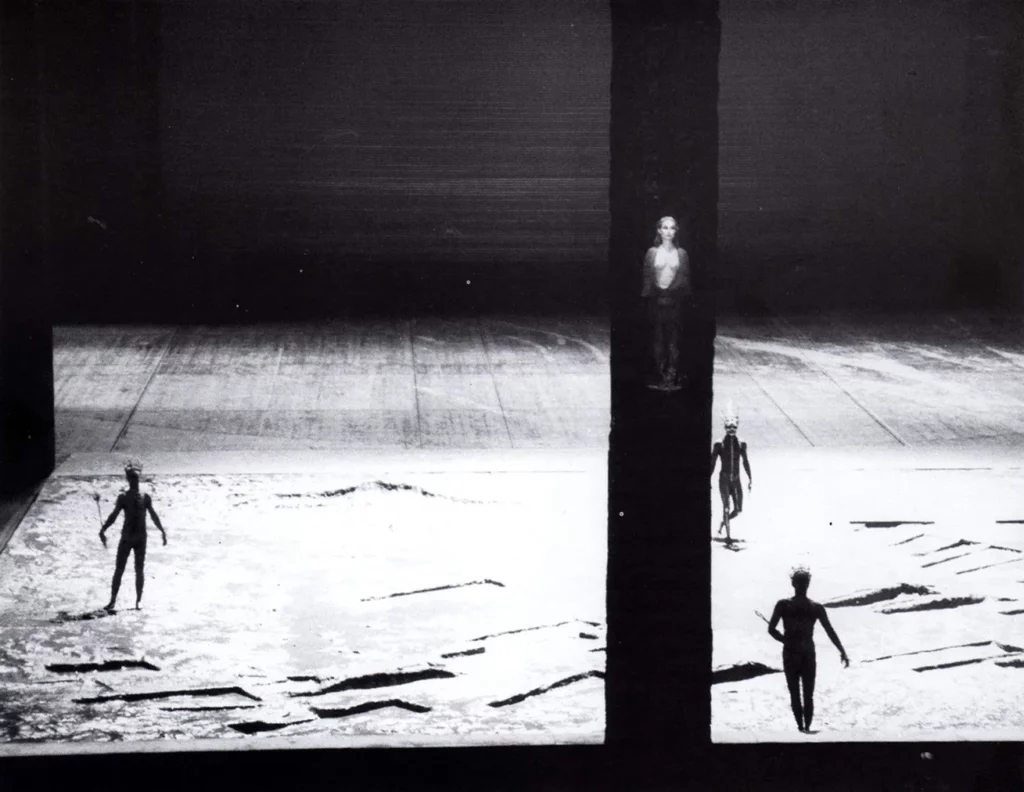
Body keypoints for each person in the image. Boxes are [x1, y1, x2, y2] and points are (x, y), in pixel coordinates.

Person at [767, 566, 850, 733]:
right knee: (808, 693)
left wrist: (785, 640)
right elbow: (830, 630)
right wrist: (842, 650)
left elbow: (771, 630)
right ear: (808, 585)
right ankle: (807, 726)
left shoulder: (783, 605)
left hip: (790, 653)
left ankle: (800, 726)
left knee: (794, 692)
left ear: (793, 583)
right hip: (808, 653)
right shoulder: (816, 607)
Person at [99, 460, 167, 612]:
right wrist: (104, 528)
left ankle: (138, 600)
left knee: (139, 569)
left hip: (140, 538)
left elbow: (154, 515)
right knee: (119, 569)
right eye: (133, 479)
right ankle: (113, 600)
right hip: (127, 537)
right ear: (129, 480)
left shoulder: (145, 497)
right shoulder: (123, 497)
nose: (135, 482)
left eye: (137, 479)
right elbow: (114, 515)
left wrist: (162, 530)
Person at [641, 216, 691, 390]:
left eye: (672, 228)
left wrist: (670, 293)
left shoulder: (682, 254)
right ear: (659, 230)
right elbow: (648, 278)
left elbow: (684, 279)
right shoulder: (652, 253)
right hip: (656, 302)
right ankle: (660, 374)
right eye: (665, 228)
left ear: (676, 231)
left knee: (674, 340)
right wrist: (657, 294)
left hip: (675, 302)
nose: (668, 231)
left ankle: (672, 376)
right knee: (658, 339)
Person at [709, 408, 752, 543]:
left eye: (733, 427)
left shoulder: (741, 443)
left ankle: (723, 523)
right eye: (728, 427)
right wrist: (708, 478)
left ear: (737, 427)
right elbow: (712, 463)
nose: (731, 429)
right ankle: (728, 535)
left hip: (736, 479)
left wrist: (750, 478)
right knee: (726, 508)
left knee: (738, 510)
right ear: (725, 428)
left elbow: (745, 461)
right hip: (724, 479)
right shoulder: (719, 444)